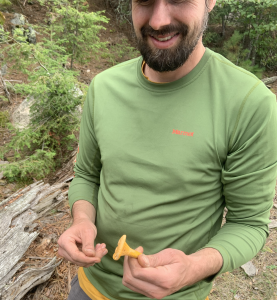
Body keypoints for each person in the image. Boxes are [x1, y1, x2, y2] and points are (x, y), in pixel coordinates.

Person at [58, 0, 277, 299]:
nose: (159, 20)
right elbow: (86, 175)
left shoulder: (248, 103)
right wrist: (82, 220)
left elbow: (249, 223)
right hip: (90, 287)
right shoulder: (104, 88)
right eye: (144, 1)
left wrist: (193, 267)